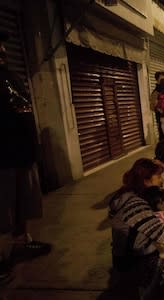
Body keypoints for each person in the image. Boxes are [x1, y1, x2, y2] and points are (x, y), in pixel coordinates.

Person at [0, 31, 51, 285]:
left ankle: (21, 243)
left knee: (23, 206)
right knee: (3, 213)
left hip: (22, 155)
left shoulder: (10, 76)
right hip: (3, 160)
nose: (2, 49)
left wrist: (34, 150)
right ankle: (2, 259)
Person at [108, 158, 164, 295]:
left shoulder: (133, 196)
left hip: (137, 257)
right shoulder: (135, 205)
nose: (162, 181)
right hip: (135, 265)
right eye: (158, 177)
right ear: (146, 181)